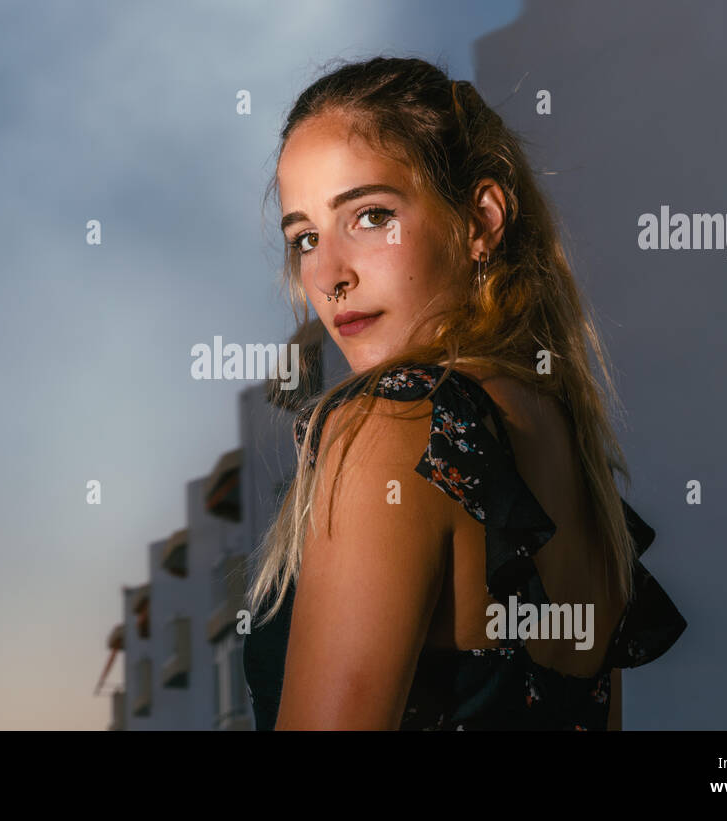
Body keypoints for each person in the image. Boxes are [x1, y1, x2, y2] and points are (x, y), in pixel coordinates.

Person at [241, 56, 686, 730]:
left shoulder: (395, 422)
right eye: (305, 237)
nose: (328, 275)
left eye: (369, 216)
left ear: (480, 220)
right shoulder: (570, 455)